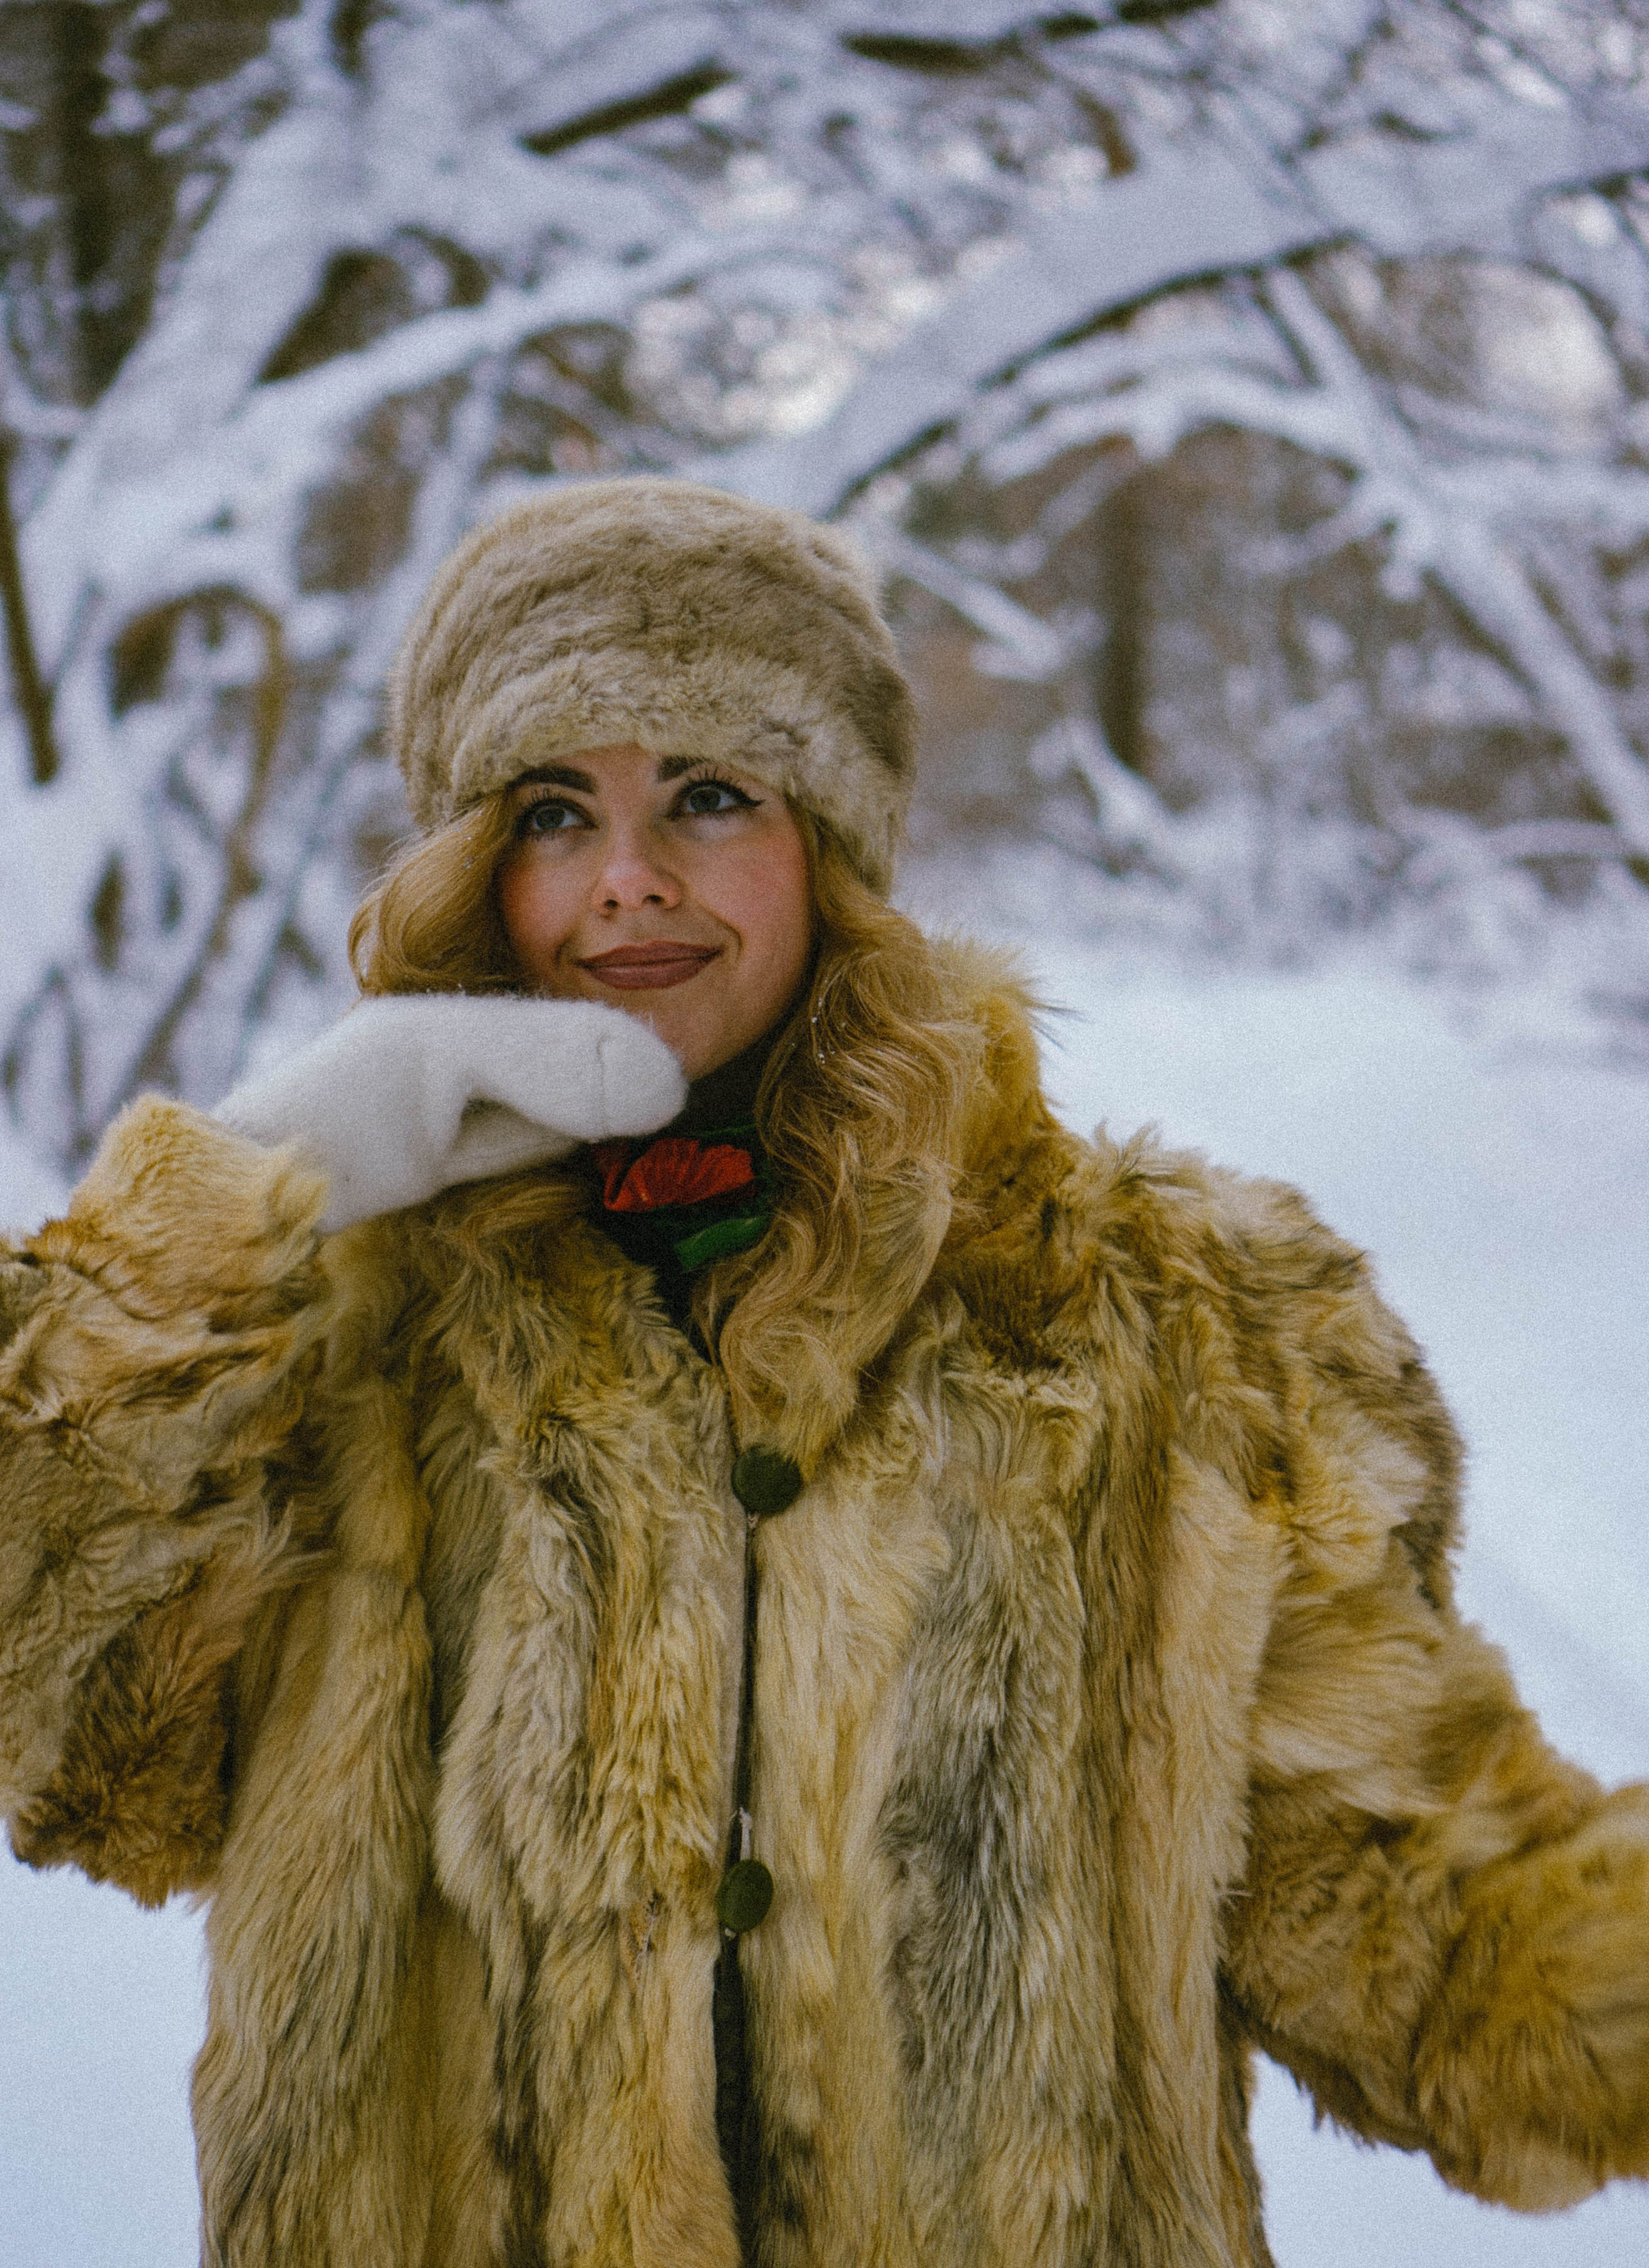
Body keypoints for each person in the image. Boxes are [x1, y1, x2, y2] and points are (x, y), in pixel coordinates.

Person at [1, 477, 1646, 2268]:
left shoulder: (1163, 1326)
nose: (629, 877)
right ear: (480, 867)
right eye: (555, 811)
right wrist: (224, 1210)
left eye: (709, 795)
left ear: (832, 844)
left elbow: (1431, 1927)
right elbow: (66, 1730)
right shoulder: (320, 1351)